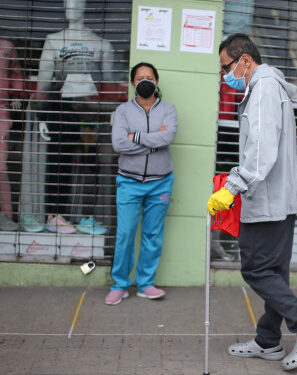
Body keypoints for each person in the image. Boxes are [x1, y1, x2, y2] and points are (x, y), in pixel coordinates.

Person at [208, 33, 297, 371]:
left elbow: (260, 152)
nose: (225, 74)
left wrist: (231, 188)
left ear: (245, 60)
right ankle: (268, 341)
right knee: (275, 271)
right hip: (278, 198)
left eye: (227, 66)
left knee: (256, 269)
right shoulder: (267, 87)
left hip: (266, 198)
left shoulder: (262, 89)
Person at [25, 0, 114, 234]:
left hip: (90, 114)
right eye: (67, 3)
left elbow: (109, 87)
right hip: (61, 109)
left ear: (87, 7)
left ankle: (87, 216)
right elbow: (43, 84)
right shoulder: (54, 40)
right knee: (59, 164)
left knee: (90, 164)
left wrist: (109, 115)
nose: (70, 7)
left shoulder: (102, 44)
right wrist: (43, 115)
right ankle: (55, 215)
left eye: (77, 2)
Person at [105, 62, 177, 305]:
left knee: (152, 234)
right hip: (129, 181)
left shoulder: (168, 109)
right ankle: (120, 285)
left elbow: (168, 137)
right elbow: (118, 144)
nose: (144, 80)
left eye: (148, 76)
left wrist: (134, 137)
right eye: (139, 77)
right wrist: (153, 141)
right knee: (125, 234)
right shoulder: (123, 110)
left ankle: (146, 284)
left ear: (156, 81)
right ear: (133, 83)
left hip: (160, 182)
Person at [0, 38, 24, 231]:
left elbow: (16, 73)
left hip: (2, 109)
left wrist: (16, 94)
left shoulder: (7, 46)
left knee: (1, 166)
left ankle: (6, 215)